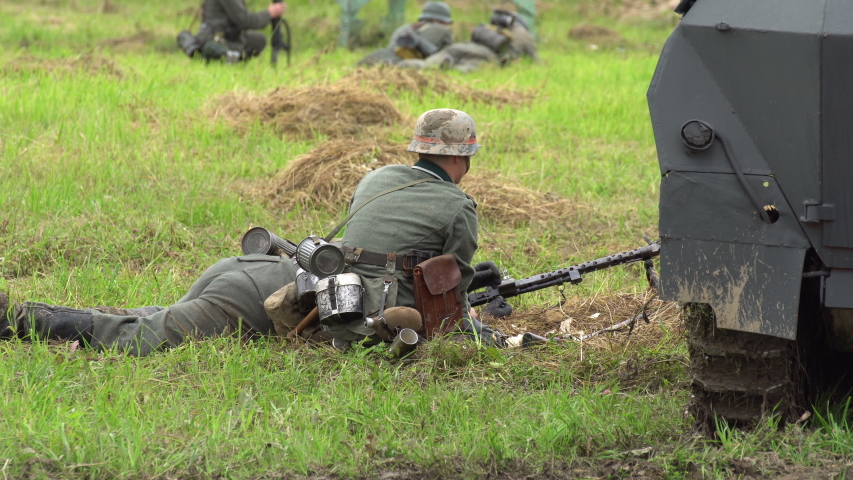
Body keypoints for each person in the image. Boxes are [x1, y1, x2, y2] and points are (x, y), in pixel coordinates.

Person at [0, 109, 503, 355]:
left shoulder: (377, 177)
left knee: (151, 316)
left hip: (268, 272)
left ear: (418, 149)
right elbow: (446, 299)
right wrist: (487, 337)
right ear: (461, 157)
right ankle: (20, 321)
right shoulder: (458, 206)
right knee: (142, 338)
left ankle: (39, 316)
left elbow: (370, 250)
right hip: (253, 291)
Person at [182, 0, 287, 62]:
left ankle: (232, 58)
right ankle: (224, 58)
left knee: (258, 40)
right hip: (216, 39)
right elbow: (245, 20)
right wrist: (270, 13)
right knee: (253, 42)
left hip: (218, 35)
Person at [357, 1, 454, 67]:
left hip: (389, 55)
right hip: (416, 62)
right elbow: (448, 53)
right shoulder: (444, 30)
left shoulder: (405, 27)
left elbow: (391, 47)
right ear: (440, 19)